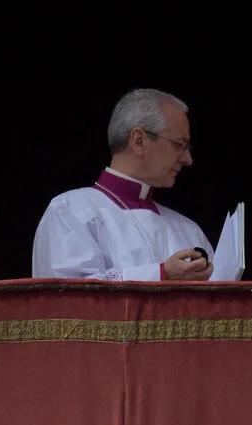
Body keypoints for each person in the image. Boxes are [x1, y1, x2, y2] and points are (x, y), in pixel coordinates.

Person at [32, 88, 214, 282]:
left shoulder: (189, 229)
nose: (188, 159)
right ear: (139, 141)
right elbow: (71, 296)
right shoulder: (70, 210)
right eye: (180, 145)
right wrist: (161, 274)